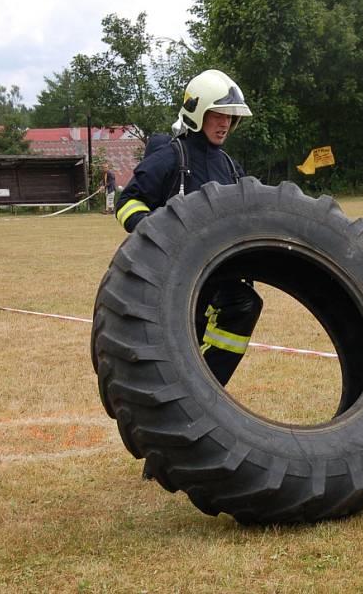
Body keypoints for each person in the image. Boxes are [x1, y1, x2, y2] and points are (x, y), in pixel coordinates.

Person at [115, 70, 263, 478]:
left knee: (246, 305)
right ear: (197, 111)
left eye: (230, 117)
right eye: (218, 113)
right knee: (173, 365)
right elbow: (128, 203)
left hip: (217, 275)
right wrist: (159, 239)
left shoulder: (229, 165)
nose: (224, 123)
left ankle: (210, 389)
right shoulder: (171, 156)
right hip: (173, 280)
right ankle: (161, 452)